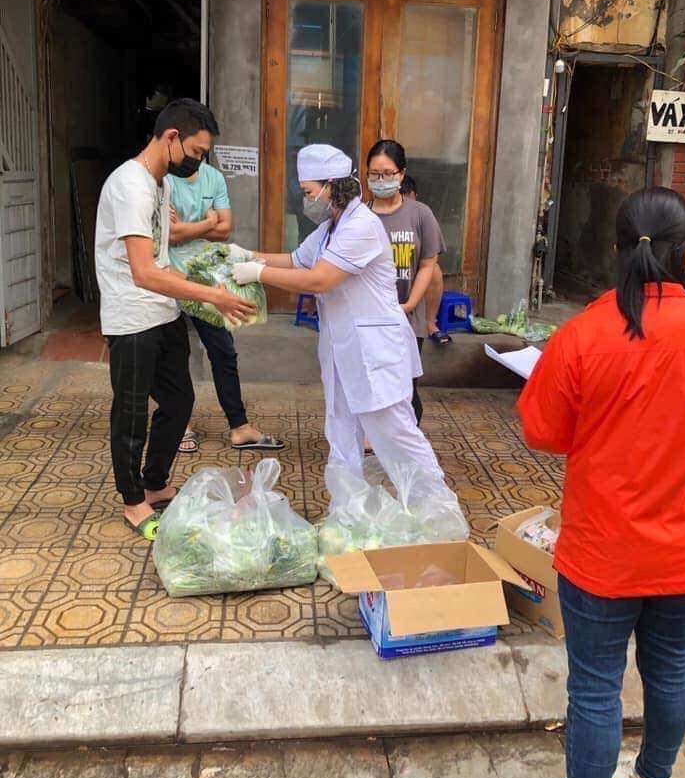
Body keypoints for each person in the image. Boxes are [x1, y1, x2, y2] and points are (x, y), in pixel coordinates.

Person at [518, 187, 685, 778]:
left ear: (616, 251)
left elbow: (543, 433)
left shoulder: (582, 336)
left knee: (596, 687)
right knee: (670, 667)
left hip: (602, 554)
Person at [230, 144, 442, 480]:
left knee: (395, 431)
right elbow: (296, 260)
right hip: (344, 347)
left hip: (375, 350)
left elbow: (318, 279)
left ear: (330, 186)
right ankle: (348, 501)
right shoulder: (332, 226)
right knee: (341, 426)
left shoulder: (361, 226)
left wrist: (258, 273)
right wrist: (247, 255)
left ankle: (435, 502)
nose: (306, 200)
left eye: (308, 192)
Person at [95, 99, 256, 541]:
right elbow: (144, 272)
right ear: (171, 138)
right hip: (132, 315)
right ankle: (133, 501)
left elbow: (163, 259)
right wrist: (213, 296)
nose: (198, 161)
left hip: (163, 311)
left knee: (179, 400)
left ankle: (155, 481)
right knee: (131, 411)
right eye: (197, 152)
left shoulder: (160, 184)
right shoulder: (131, 187)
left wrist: (215, 287)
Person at [167, 159, 284, 454]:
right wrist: (208, 223)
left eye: (203, 148)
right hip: (170, 276)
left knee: (223, 351)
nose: (198, 154)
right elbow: (169, 234)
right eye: (195, 147)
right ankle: (179, 425)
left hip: (208, 277)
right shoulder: (163, 180)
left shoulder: (214, 177)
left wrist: (186, 229)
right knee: (175, 354)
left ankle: (239, 427)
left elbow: (225, 230)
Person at [366, 140, 446, 424]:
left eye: (388, 173)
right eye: (374, 174)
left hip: (408, 318)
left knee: (405, 390)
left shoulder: (420, 214)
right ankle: (376, 440)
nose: (381, 180)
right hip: (369, 318)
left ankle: (407, 440)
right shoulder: (360, 215)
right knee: (373, 386)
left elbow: (427, 265)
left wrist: (410, 304)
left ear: (401, 174)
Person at [400, 174, 451, 346]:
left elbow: (431, 256)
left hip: (414, 268)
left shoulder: (422, 214)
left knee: (434, 270)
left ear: (415, 196)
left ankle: (429, 322)